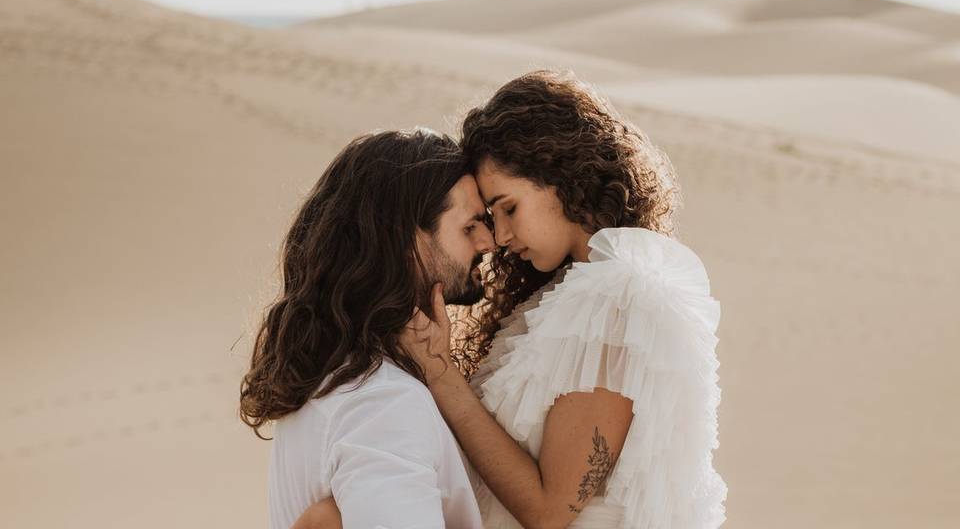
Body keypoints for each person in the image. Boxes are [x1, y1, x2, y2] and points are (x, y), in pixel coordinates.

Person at [297, 70, 727, 528]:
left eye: (509, 208)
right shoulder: (567, 296)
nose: (499, 236)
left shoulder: (616, 298)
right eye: (488, 217)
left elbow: (549, 513)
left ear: (562, 179)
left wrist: (441, 373)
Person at [239, 129, 495, 529]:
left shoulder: (334, 379)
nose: (488, 242)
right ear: (408, 241)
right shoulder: (382, 404)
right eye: (470, 226)